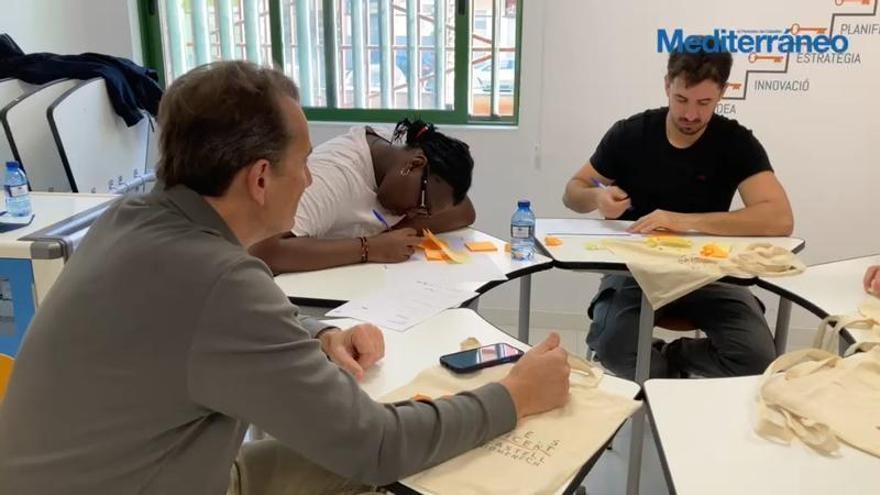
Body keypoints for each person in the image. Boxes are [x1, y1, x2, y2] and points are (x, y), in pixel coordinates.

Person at [0, 61, 571, 495]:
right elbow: (373, 446)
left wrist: (317, 338)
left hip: (126, 471)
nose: (308, 179)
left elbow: (205, 331)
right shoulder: (218, 280)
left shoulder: (134, 216)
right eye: (302, 163)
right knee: (402, 462)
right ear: (260, 179)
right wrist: (514, 395)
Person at [562, 38, 795, 380]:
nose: (690, 114)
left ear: (723, 92)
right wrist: (597, 198)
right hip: (634, 271)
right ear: (667, 85)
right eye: (681, 99)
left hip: (708, 271)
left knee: (758, 357)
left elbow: (780, 218)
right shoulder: (631, 133)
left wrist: (680, 222)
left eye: (704, 103)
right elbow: (573, 191)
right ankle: (657, 370)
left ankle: (663, 364)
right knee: (614, 347)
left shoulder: (735, 142)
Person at [250, 119, 476, 273]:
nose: (414, 214)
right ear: (415, 164)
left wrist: (393, 231)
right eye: (421, 203)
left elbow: (465, 211)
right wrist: (370, 247)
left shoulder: (396, 152)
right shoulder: (333, 176)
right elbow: (265, 251)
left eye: (424, 212)